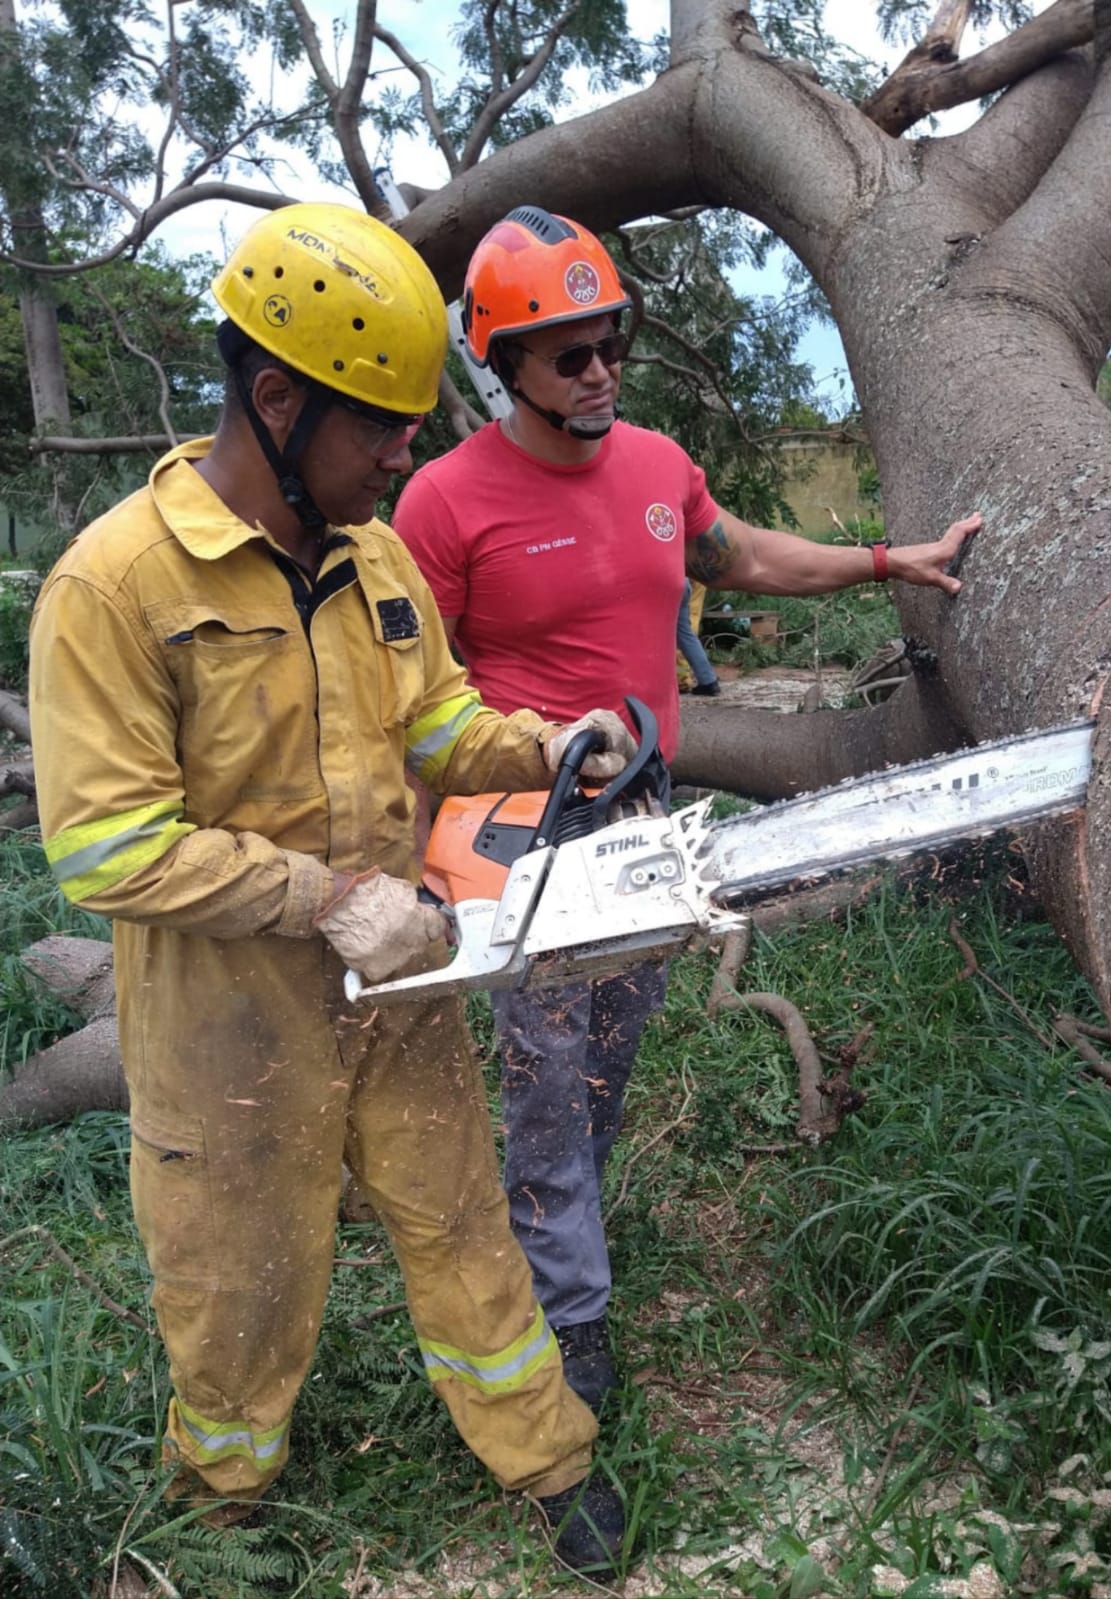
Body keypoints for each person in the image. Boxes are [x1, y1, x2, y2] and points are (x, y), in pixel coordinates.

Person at [26, 203, 640, 1576]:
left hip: (399, 987)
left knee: (464, 1223)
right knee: (234, 1278)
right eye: (382, 426)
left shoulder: (372, 558)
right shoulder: (114, 588)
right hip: (223, 1024)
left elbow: (434, 724)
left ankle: (546, 1453)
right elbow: (105, 845)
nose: (406, 452)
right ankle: (220, 1506)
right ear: (277, 397)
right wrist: (323, 897)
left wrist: (544, 743)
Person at [392, 204, 981, 1413]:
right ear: (502, 364)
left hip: (644, 816)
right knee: (548, 1076)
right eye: (569, 352)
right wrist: (404, 860)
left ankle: (562, 1225)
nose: (600, 369)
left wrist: (886, 561)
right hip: (515, 828)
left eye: (611, 341)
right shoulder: (444, 505)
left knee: (609, 1058)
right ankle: (567, 1316)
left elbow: (737, 556)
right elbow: (404, 700)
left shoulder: (658, 468)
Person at [677, 577, 720, 695]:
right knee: (685, 634)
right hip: (683, 581)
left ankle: (680, 680)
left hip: (662, 582)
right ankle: (708, 681)